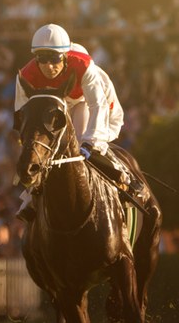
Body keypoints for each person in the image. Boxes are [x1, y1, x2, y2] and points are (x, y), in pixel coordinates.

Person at [14, 23, 144, 221]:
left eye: (54, 58)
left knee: (83, 141)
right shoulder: (26, 76)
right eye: (42, 58)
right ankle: (32, 196)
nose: (48, 66)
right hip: (58, 105)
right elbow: (22, 116)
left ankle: (124, 178)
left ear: (65, 56)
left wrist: (89, 143)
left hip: (90, 102)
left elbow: (97, 105)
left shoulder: (84, 66)